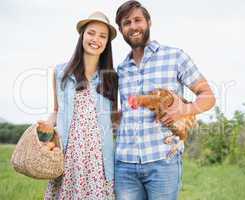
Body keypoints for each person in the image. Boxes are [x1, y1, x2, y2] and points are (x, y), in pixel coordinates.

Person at [114, 1, 216, 200]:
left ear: (149, 22)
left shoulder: (174, 56)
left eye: (138, 20)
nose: (133, 26)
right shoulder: (122, 69)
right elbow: (125, 114)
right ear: (121, 30)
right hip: (125, 165)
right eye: (127, 23)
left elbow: (208, 96)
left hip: (163, 161)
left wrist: (183, 110)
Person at [43, 11, 118, 199]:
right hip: (68, 155)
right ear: (82, 35)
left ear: (107, 42)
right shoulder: (61, 72)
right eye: (91, 33)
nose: (96, 39)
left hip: (99, 160)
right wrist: (46, 125)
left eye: (103, 36)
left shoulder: (111, 77)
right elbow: (56, 111)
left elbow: (114, 119)